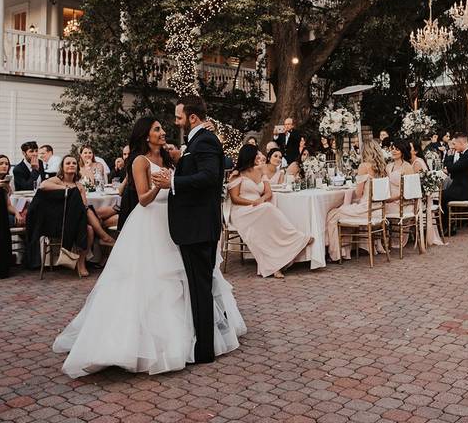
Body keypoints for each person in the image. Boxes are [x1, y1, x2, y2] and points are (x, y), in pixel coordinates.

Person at [54, 115, 245, 376]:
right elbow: (143, 199)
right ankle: (141, 344)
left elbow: (194, 170)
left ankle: (192, 337)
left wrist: (185, 156)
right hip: (150, 221)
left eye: (162, 127)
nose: (163, 132)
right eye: (157, 129)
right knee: (150, 281)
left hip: (175, 222)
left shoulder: (168, 158)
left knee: (183, 280)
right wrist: (159, 186)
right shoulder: (139, 161)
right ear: (146, 135)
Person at [153, 95, 231, 364]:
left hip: (197, 227)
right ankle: (205, 345)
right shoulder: (198, 141)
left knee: (200, 289)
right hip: (195, 226)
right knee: (200, 287)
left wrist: (173, 181)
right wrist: (180, 158)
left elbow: (210, 177)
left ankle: (204, 350)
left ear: (192, 118)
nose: (177, 122)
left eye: (179, 117)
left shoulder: (205, 140)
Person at [227, 145, 312, 278]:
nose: (260, 157)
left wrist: (261, 200)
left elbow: (268, 193)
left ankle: (283, 254)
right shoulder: (237, 174)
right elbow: (235, 198)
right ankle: (289, 246)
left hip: (259, 207)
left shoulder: (261, 171)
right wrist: (253, 203)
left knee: (266, 219)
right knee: (268, 209)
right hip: (242, 210)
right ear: (249, 156)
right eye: (257, 155)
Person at [326, 140, 389, 261]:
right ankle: (346, 252)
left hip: (366, 210)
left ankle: (336, 254)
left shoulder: (364, 166)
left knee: (333, 214)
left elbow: (359, 194)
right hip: (378, 211)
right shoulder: (383, 168)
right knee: (345, 213)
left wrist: (354, 186)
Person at [36, 155, 92, 276]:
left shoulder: (80, 186)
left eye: (74, 163)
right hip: (59, 221)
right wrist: (66, 189)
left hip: (77, 219)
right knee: (91, 218)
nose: (71, 165)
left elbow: (83, 206)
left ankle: (81, 263)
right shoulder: (57, 180)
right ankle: (105, 237)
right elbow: (43, 186)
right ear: (62, 167)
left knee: (90, 229)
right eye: (68, 163)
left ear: (77, 167)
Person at [441, 133, 468, 234]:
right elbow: (455, 170)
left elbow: (451, 168)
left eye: (454, 144)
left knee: (440, 195)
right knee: (445, 192)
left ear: (461, 143)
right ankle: (450, 222)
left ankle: (447, 227)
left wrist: (449, 156)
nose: (453, 147)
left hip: (466, 192)